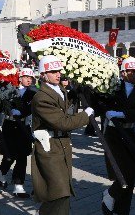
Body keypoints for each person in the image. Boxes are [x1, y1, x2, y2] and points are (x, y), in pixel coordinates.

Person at [31, 55, 94, 215]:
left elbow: (64, 103)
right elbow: (62, 122)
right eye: (53, 71)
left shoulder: (59, 90)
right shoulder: (41, 97)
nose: (58, 74)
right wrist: (85, 116)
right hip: (49, 147)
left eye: (59, 70)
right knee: (59, 192)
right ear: (43, 74)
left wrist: (77, 91)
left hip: (62, 144)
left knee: (61, 191)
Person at [100, 57, 135, 215]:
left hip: (130, 133)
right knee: (123, 172)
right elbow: (101, 103)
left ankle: (120, 206)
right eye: (132, 72)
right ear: (123, 73)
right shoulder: (113, 89)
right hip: (114, 135)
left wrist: (120, 113)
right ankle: (112, 196)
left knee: (132, 174)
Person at [0, 68, 37, 198]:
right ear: (20, 78)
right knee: (9, 155)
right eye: (26, 77)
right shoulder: (10, 90)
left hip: (23, 126)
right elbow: (0, 105)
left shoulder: (32, 94)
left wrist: (23, 112)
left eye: (31, 78)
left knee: (22, 156)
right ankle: (1, 171)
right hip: (9, 125)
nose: (29, 79)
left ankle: (19, 186)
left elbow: (31, 108)